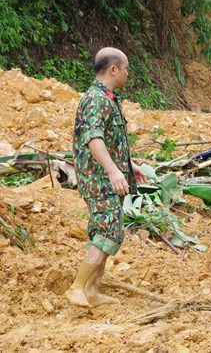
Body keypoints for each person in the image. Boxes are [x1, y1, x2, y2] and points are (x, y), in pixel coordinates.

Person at [66, 47, 147, 307]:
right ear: (113, 69)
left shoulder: (107, 98)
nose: (127, 73)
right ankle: (77, 287)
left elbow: (110, 141)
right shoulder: (96, 99)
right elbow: (93, 138)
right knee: (109, 231)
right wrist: (113, 171)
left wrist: (128, 165)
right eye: (125, 69)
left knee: (104, 230)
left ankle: (91, 290)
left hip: (105, 178)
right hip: (99, 180)